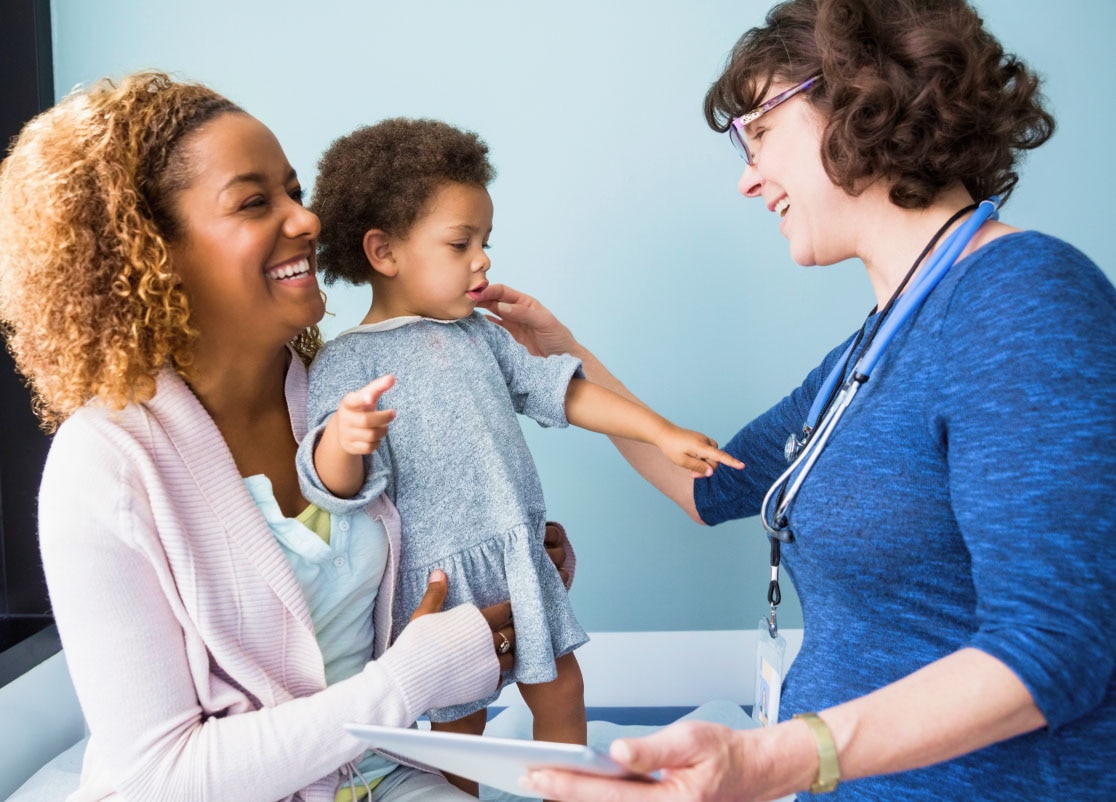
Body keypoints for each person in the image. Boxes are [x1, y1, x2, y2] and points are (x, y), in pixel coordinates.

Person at [478, 0, 1116, 799]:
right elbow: (707, 484)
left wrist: (774, 757)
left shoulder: (1023, 299)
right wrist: (565, 353)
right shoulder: (869, 350)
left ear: (861, 97)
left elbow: (1059, 647)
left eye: (760, 133)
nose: (748, 179)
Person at [0, 71, 576, 802]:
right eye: (254, 202)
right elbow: (158, 774)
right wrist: (414, 678)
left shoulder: (344, 398)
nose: (306, 222)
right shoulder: (105, 465)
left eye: (295, 194)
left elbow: (433, 568)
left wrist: (512, 578)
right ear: (148, 249)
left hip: (379, 776)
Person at [295, 117, 743, 793]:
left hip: (515, 556)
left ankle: (574, 790)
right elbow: (332, 487)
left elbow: (563, 391)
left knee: (562, 689)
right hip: (437, 581)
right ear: (384, 252)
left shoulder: (480, 335)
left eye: (485, 242)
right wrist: (341, 442)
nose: (483, 261)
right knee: (459, 726)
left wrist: (660, 431)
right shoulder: (346, 361)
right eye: (460, 243)